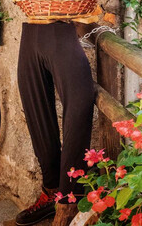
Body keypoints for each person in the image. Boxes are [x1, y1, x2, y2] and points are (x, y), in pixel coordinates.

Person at [14, 22, 96, 226]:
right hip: (30, 32)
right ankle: (51, 191)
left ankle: (69, 202)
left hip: (62, 33)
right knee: (36, 115)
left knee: (79, 108)